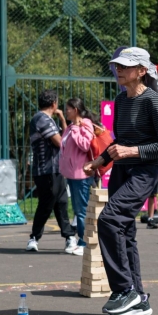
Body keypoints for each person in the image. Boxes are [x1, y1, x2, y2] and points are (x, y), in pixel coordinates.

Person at [83, 47, 158, 315]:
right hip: (121, 170)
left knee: (109, 220)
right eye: (117, 66)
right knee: (124, 232)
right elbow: (118, 141)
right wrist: (100, 161)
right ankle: (140, 299)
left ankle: (124, 290)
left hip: (144, 171)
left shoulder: (152, 101)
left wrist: (131, 152)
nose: (118, 70)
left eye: (125, 66)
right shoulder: (121, 100)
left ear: (142, 71)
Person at [26, 90, 76, 253]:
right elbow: (61, 142)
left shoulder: (47, 120)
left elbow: (64, 136)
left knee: (60, 202)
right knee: (48, 203)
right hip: (47, 170)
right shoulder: (42, 119)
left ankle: (69, 237)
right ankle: (34, 237)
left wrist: (62, 119)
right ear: (54, 104)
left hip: (55, 169)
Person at [59, 98, 95, 256]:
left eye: (68, 108)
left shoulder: (85, 124)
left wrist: (75, 130)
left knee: (81, 211)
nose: (66, 111)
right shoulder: (70, 127)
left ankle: (84, 242)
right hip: (72, 174)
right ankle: (82, 240)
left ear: (76, 110)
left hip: (81, 173)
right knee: (77, 209)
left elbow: (85, 145)